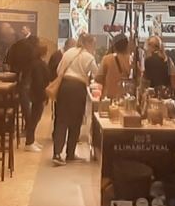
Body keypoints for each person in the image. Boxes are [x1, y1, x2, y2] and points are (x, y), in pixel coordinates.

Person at [50, 33, 97, 165]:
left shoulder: (68, 52)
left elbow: (59, 70)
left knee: (61, 120)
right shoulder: (88, 56)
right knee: (76, 121)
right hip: (78, 88)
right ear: (88, 43)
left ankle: (57, 154)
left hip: (64, 86)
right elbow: (97, 74)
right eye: (93, 44)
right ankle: (70, 153)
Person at [99, 35, 133, 100]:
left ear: (114, 46)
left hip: (109, 98)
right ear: (127, 46)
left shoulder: (107, 59)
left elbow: (98, 78)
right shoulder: (132, 60)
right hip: (127, 98)